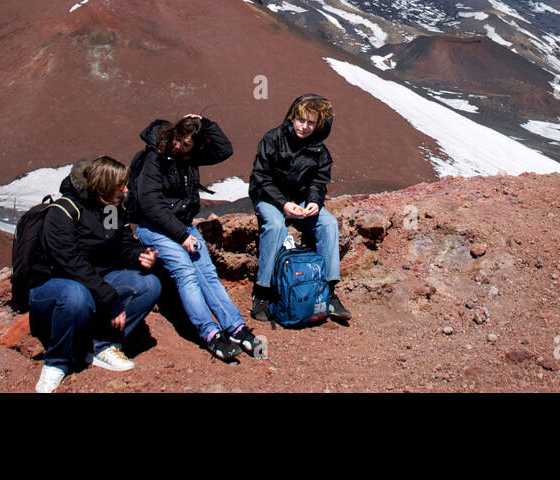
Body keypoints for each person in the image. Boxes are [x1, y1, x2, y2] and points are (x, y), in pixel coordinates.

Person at [129, 115, 263, 361]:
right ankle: (210, 333)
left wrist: (207, 122)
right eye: (178, 139)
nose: (178, 146)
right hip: (155, 228)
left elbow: (225, 150)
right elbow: (149, 203)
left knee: (208, 274)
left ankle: (235, 327)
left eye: (186, 144)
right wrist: (181, 237)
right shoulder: (154, 157)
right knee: (186, 273)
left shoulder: (189, 157)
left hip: (182, 227)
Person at [26, 156, 163, 393]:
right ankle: (57, 362)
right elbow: (71, 264)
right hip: (54, 284)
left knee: (149, 285)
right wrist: (110, 300)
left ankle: (101, 346)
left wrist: (139, 256)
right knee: (75, 296)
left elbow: (120, 245)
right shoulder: (64, 212)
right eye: (121, 186)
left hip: (95, 281)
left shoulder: (110, 209)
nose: (126, 190)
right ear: (103, 186)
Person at [249, 95, 349, 322]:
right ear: (292, 118)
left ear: (319, 125)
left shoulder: (320, 151)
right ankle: (262, 292)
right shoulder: (272, 139)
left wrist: (314, 201)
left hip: (300, 199)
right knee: (275, 226)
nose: (304, 127)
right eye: (301, 120)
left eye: (311, 123)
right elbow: (261, 177)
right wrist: (283, 204)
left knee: (329, 224)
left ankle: (328, 291)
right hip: (268, 197)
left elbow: (318, 182)